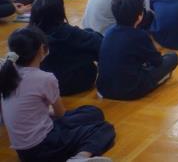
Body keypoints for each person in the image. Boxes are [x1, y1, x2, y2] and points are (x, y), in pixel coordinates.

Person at [0, 27, 115, 161]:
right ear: (42, 49)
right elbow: (60, 114)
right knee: (103, 128)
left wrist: (43, 111)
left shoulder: (7, 74)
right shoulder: (45, 78)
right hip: (45, 145)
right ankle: (80, 157)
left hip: (24, 152)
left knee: (92, 112)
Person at [97, 0, 178, 100]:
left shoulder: (108, 32)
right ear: (139, 16)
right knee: (173, 57)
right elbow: (157, 61)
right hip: (131, 90)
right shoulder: (139, 35)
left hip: (104, 89)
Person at [29, 0, 102, 96]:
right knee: (90, 39)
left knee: (86, 37)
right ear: (59, 12)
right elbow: (99, 43)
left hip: (45, 84)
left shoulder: (29, 34)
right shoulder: (67, 32)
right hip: (75, 82)